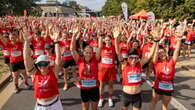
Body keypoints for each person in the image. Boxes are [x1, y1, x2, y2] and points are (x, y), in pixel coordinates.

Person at [114, 27, 158, 110]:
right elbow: (118, 52)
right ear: (128, 58)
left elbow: (150, 55)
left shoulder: (139, 64)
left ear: (138, 58)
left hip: (137, 96)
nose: (133, 60)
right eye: (131, 58)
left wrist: (155, 42)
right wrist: (116, 39)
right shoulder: (125, 64)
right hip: (126, 95)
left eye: (136, 58)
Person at [23, 25, 63, 110]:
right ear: (37, 65)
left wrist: (56, 42)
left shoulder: (53, 72)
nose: (42, 66)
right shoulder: (34, 74)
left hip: (55, 104)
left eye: (45, 63)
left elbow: (58, 58)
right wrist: (26, 42)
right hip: (40, 106)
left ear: (49, 64)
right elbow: (26, 59)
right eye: (40, 64)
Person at [149, 24, 184, 110]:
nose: (161, 54)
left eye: (163, 52)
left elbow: (176, 51)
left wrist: (179, 39)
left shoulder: (171, 61)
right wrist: (156, 41)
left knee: (165, 105)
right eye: (159, 53)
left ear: (166, 52)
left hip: (168, 86)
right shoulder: (156, 62)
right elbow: (155, 53)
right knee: (154, 101)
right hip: (158, 84)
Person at [70, 27, 100, 110]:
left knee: (94, 108)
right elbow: (72, 49)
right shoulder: (79, 60)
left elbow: (100, 48)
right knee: (85, 108)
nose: (88, 54)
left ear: (92, 53)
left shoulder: (95, 59)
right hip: (84, 89)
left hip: (94, 88)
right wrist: (73, 36)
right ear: (83, 52)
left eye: (90, 53)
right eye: (86, 52)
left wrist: (100, 36)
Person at [7, 29, 30, 93]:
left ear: (16, 37)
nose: (12, 39)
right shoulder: (8, 44)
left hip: (20, 61)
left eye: (13, 37)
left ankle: (26, 83)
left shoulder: (19, 43)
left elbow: (22, 38)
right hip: (13, 63)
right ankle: (16, 87)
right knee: (15, 76)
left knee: (24, 73)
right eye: (11, 38)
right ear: (9, 38)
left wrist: (21, 31)